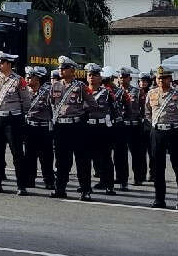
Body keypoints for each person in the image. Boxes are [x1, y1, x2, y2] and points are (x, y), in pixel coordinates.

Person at [146, 66, 178, 210]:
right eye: (159, 78)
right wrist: (154, 125)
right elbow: (147, 112)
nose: (161, 80)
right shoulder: (151, 93)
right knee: (158, 168)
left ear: (170, 79)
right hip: (157, 133)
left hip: (174, 132)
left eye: (164, 77)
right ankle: (159, 199)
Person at [51, 56, 93, 201]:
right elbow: (51, 104)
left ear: (72, 70)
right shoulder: (55, 86)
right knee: (62, 160)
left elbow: (92, 104)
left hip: (77, 127)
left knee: (82, 159)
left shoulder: (80, 86)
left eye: (64, 68)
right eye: (60, 68)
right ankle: (60, 189)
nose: (61, 70)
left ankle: (85, 190)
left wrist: (82, 114)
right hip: (61, 126)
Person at [0, 52, 30, 195]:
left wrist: (21, 119)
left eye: (1, 63)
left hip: (13, 120)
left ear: (9, 64)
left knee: (17, 153)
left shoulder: (19, 80)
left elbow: (26, 102)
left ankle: (21, 185)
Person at [85, 64, 116, 196]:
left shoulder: (107, 93)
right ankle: (85, 185)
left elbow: (115, 110)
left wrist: (112, 128)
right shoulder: (82, 91)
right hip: (87, 127)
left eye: (95, 75)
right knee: (86, 158)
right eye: (90, 75)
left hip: (102, 127)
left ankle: (109, 185)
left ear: (100, 78)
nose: (92, 78)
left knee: (105, 157)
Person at [23, 66, 54, 190]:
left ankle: (49, 180)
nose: (27, 79)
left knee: (46, 156)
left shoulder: (47, 92)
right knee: (30, 155)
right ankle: (30, 179)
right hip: (30, 127)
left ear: (37, 79)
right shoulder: (25, 92)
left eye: (30, 77)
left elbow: (54, 110)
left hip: (44, 128)